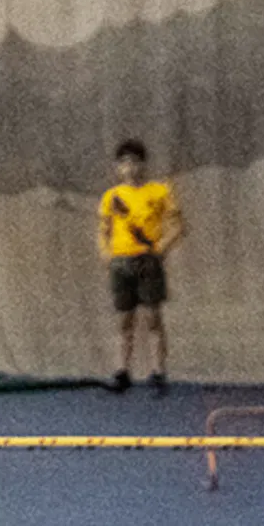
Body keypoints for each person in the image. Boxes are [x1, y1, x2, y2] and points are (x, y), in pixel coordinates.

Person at [98, 139, 182, 393]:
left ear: (143, 165)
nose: (130, 167)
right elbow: (103, 231)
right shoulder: (111, 197)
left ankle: (158, 373)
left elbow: (178, 226)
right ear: (117, 168)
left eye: (135, 162)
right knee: (124, 320)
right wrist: (107, 255)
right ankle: (122, 372)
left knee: (153, 318)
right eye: (124, 163)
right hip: (121, 263)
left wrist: (159, 250)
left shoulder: (159, 191)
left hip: (148, 261)